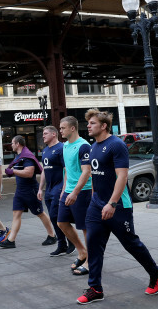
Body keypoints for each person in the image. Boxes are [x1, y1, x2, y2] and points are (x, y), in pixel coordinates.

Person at [77, 109, 158, 305]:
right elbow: (95, 176)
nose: (88, 126)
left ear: (103, 126)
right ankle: (95, 289)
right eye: (88, 123)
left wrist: (112, 203)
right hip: (97, 204)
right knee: (93, 245)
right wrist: (94, 200)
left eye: (92, 123)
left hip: (118, 206)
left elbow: (122, 176)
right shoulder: (93, 146)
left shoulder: (116, 145)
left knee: (131, 244)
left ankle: (156, 274)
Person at [0, 135, 57, 249]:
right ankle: (11, 240)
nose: (11, 145)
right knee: (16, 213)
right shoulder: (19, 156)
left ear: (18, 144)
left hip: (30, 190)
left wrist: (13, 171)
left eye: (12, 143)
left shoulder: (27, 157)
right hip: (20, 190)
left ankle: (52, 235)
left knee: (40, 213)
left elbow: (29, 173)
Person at [57, 116, 92, 276]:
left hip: (82, 191)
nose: (60, 130)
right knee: (61, 222)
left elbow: (87, 171)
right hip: (69, 191)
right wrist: (64, 191)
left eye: (63, 128)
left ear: (72, 128)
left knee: (85, 228)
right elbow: (67, 171)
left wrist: (75, 192)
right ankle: (82, 251)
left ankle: (90, 261)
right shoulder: (64, 146)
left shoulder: (84, 146)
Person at [36, 126, 75, 256]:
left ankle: (69, 241)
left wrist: (64, 188)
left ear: (54, 134)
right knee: (54, 218)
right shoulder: (46, 150)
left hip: (59, 187)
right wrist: (40, 188)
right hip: (49, 188)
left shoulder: (61, 148)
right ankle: (63, 244)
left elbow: (66, 169)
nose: (43, 136)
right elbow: (44, 170)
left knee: (55, 215)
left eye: (45, 133)